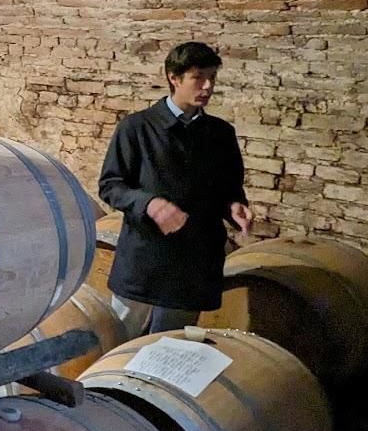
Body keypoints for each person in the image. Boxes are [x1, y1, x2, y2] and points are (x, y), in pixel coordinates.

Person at [98, 41, 253, 334]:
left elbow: (228, 187)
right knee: (117, 344)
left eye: (212, 78)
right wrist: (149, 204)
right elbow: (111, 186)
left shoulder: (220, 134)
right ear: (174, 77)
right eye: (198, 78)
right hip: (145, 259)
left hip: (193, 263)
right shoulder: (137, 128)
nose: (207, 86)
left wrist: (234, 206)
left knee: (166, 349)